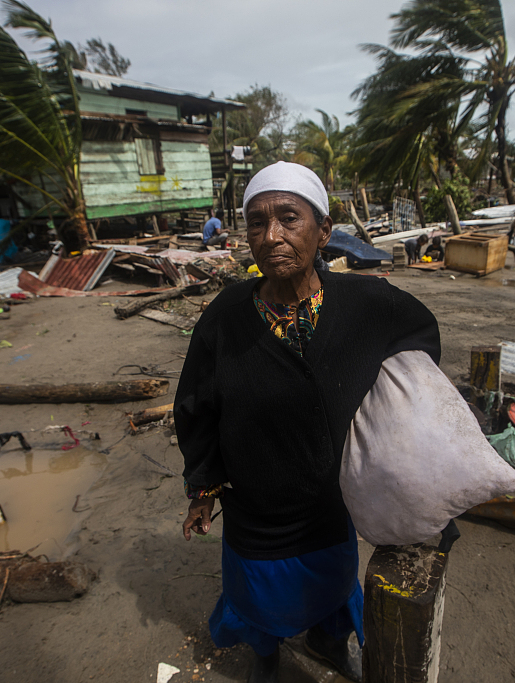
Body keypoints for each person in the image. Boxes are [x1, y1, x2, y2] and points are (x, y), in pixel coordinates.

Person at [175, 161, 441, 683]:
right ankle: (266, 654)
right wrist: (203, 488)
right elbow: (196, 406)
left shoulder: (369, 304)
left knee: (331, 586)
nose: (271, 235)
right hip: (255, 506)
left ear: (323, 230)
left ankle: (326, 642)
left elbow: (420, 340)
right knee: (257, 593)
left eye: (288, 218)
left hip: (329, 501)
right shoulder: (226, 316)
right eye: (257, 222)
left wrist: (402, 416)